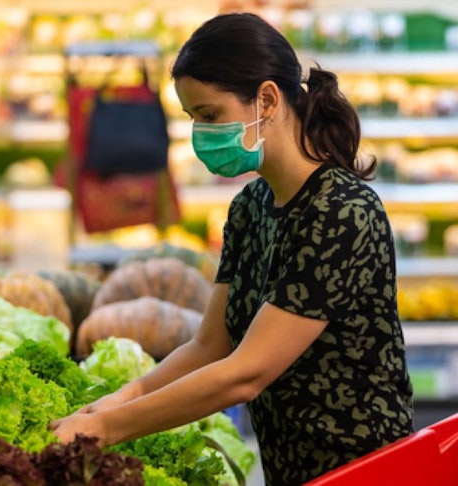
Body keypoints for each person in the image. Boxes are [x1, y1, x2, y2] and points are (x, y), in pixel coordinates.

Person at [50, 12, 414, 484]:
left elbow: (247, 372)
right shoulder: (252, 205)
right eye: (192, 117)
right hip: (291, 467)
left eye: (209, 115)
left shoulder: (343, 212)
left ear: (266, 99)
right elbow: (211, 344)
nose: (201, 133)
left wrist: (103, 430)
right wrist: (118, 398)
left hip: (368, 469)